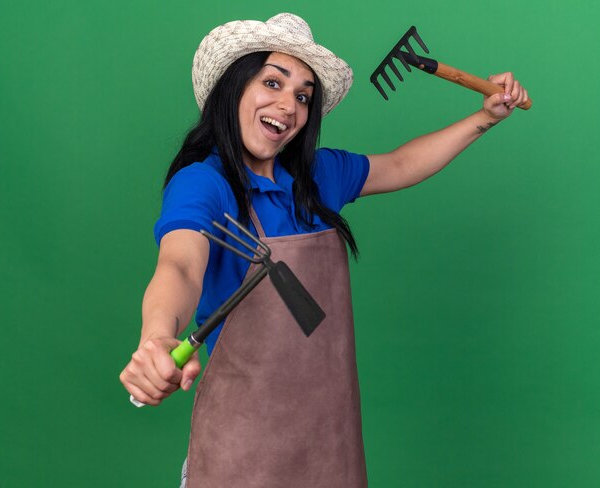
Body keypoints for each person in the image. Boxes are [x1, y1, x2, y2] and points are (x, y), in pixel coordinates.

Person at [119, 13, 529, 488]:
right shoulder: (205, 183)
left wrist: (484, 117)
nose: (288, 105)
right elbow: (180, 265)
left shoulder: (316, 179)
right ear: (233, 89)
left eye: (302, 96)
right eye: (272, 82)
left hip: (330, 445)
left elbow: (399, 164)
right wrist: (157, 336)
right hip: (242, 451)